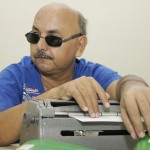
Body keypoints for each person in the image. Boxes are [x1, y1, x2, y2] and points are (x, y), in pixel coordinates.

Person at [0, 2, 150, 146]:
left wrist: (133, 85)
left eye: (53, 39)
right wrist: (56, 94)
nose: (40, 45)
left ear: (80, 46)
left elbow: (121, 86)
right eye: (34, 36)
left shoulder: (91, 74)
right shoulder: (15, 76)